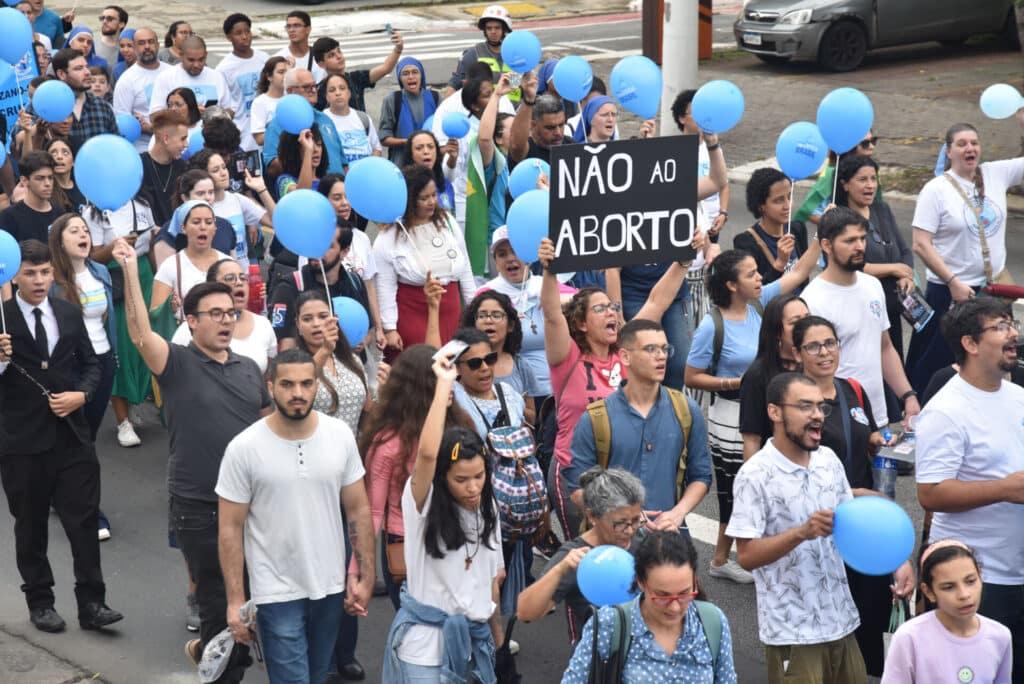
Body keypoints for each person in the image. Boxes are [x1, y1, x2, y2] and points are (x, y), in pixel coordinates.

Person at [115, 238, 271, 677]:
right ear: (191, 320)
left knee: (259, 604)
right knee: (221, 607)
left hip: (252, 503)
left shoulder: (248, 369)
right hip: (199, 504)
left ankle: (210, 648)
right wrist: (130, 271)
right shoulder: (177, 363)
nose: (226, 321)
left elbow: (268, 429)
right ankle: (218, 660)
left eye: (231, 313)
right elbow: (140, 334)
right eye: (215, 314)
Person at [216, 347, 374, 684]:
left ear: (317, 385)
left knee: (317, 677)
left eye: (306, 383)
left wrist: (364, 575)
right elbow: (230, 528)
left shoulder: (340, 436)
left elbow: (358, 509)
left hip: (329, 587)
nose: (298, 393)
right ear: (270, 386)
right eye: (287, 385)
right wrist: (235, 602)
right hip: (275, 592)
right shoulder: (243, 448)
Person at [538, 233, 702, 544]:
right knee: (589, 557)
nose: (612, 312)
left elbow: (657, 301)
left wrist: (682, 260)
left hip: (620, 474)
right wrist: (549, 270)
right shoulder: (567, 356)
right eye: (600, 309)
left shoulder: (627, 350)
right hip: (577, 477)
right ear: (582, 323)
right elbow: (551, 314)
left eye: (613, 306)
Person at [0, 240, 123, 634]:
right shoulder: (1, 321)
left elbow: (93, 364)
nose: (38, 280)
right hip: (22, 442)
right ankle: (41, 601)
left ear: (54, 272)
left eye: (45, 272)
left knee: (84, 520)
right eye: (30, 273)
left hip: (71, 437)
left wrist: (82, 395)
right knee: (31, 525)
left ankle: (93, 602)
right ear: (15, 275)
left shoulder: (69, 313)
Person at [684, 243, 820, 584]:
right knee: (736, 491)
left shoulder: (761, 304)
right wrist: (734, 381)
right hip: (730, 418)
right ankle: (720, 558)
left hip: (765, 409)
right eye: (751, 274)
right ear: (732, 284)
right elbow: (691, 375)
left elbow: (800, 273)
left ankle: (750, 554)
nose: (760, 278)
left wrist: (821, 234)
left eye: (759, 273)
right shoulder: (711, 326)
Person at [791, 315, 915, 675]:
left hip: (862, 521)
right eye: (813, 346)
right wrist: (857, 493)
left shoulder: (852, 390)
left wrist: (877, 441)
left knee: (871, 610)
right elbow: (798, 469)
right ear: (798, 353)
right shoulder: (795, 402)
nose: (825, 352)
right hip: (822, 522)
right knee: (829, 619)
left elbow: (867, 436)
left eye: (830, 343)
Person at [727, 372, 866, 683]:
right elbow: (746, 556)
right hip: (793, 632)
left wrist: (896, 565)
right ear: (775, 412)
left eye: (820, 407)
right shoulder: (755, 475)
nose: (817, 415)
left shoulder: (828, 460)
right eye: (805, 406)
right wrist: (801, 533)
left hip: (842, 621)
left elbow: (849, 526)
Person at [915, 297, 1024, 679]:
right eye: (1001, 327)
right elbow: (930, 493)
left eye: (1012, 324)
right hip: (978, 580)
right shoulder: (946, 411)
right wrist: (1005, 489)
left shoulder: (1018, 397)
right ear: (970, 344)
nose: (1013, 334)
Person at [380, 352, 505, 683]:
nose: (472, 487)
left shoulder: (488, 508)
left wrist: (499, 639)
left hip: (474, 647)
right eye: (461, 480)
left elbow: (492, 580)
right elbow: (427, 453)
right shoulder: (423, 503)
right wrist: (443, 387)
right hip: (423, 652)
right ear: (441, 478)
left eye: (479, 476)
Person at [566, 319, 713, 546]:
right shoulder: (596, 419)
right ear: (625, 357)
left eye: (665, 349)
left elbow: (701, 476)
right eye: (650, 349)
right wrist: (626, 517)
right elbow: (578, 490)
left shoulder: (686, 410)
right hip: (614, 544)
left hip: (668, 537)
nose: (661, 356)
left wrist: (677, 513)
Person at [905, 115, 1024, 395]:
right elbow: (921, 243)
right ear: (949, 152)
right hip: (950, 291)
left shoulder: (995, 173)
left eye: (974, 143)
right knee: (939, 364)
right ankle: (919, 412)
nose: (969, 148)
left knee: (993, 356)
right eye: (961, 144)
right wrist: (952, 282)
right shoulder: (935, 190)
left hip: (992, 290)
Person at [606, 126, 727, 390]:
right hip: (633, 293)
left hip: (673, 293)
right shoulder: (618, 204)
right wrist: (616, 313)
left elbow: (717, 182)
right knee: (636, 360)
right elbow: (612, 269)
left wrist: (712, 143)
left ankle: (672, 414)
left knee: (679, 360)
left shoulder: (674, 191)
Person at [363, 345, 476, 608]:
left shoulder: (463, 424)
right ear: (419, 387)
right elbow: (373, 513)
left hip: (458, 540)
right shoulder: (388, 443)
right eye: (438, 378)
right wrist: (361, 573)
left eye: (449, 375)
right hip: (406, 545)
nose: (449, 384)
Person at [560, 530, 738, 682]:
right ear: (641, 583)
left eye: (684, 593)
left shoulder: (713, 622)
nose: (675, 607)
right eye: (662, 595)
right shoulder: (609, 625)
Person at [801, 206, 921, 429]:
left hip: (878, 415)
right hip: (839, 421)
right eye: (849, 241)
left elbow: (884, 347)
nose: (859, 247)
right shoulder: (813, 300)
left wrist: (908, 395)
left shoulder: (872, 285)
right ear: (826, 245)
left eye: (862, 239)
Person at [47, 214, 118, 539]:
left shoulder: (100, 272)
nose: (83, 234)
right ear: (59, 241)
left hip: (103, 362)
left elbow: (105, 318)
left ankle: (59, 489)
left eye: (85, 230)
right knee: (80, 444)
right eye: (74, 230)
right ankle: (88, 511)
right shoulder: (52, 284)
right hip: (71, 369)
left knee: (83, 437)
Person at [517, 466, 644, 642]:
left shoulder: (642, 539)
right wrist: (559, 570)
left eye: (636, 520)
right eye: (620, 523)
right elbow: (525, 611)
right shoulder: (576, 557)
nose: (629, 530)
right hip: (602, 658)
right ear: (592, 516)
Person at [373, 164, 477, 354]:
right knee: (422, 368)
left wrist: (475, 307)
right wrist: (390, 328)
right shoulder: (388, 237)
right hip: (413, 313)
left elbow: (466, 268)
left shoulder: (447, 221)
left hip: (451, 311)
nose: (431, 202)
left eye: (433, 195)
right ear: (409, 200)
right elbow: (385, 287)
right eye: (424, 198)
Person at [881, 540, 1013, 684]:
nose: (964, 594)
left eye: (970, 581)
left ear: (980, 576)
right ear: (929, 592)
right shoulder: (909, 637)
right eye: (949, 587)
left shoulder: (1000, 636)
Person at [84, 195, 157, 448]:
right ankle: (122, 420)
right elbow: (91, 256)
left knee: (144, 344)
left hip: (144, 275)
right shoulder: (92, 213)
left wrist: (157, 281)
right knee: (122, 349)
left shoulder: (144, 205)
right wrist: (115, 245)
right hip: (115, 277)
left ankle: (134, 399)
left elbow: (151, 247)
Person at [834, 154, 914, 357]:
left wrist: (906, 275)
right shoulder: (839, 218)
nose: (870, 185)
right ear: (845, 184)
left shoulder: (882, 209)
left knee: (894, 360)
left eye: (873, 179)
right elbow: (850, 267)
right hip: (861, 307)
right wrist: (894, 269)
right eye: (862, 180)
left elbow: (904, 250)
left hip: (892, 304)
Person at [171, 259, 277, 374]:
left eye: (243, 278)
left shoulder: (263, 325)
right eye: (230, 278)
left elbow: (268, 377)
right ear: (212, 286)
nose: (239, 283)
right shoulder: (193, 327)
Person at [738, 294, 809, 458]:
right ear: (777, 331)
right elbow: (752, 439)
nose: (805, 326)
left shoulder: (815, 363)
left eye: (808, 318)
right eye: (795, 322)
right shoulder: (757, 375)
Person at [291, 291, 369, 432]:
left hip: (352, 449)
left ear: (335, 320)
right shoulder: (292, 362)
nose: (316, 324)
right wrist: (325, 350)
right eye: (307, 319)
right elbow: (299, 383)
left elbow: (367, 410)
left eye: (323, 317)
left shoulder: (352, 360)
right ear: (298, 325)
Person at [459, 290, 540, 421]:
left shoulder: (521, 366)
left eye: (496, 315)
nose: (489, 320)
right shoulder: (463, 364)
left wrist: (509, 403)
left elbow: (532, 417)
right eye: (482, 315)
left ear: (510, 326)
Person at [188, 148, 272, 270]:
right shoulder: (199, 208)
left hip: (243, 278)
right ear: (203, 176)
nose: (223, 173)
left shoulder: (237, 199)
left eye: (224, 167)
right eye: (216, 170)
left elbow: (274, 221)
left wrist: (262, 189)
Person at [150, 200, 232, 319]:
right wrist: (170, 307)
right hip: (185, 334)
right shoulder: (171, 265)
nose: (203, 227)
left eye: (209, 222)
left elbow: (240, 303)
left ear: (214, 228)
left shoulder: (228, 263)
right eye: (196, 222)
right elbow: (154, 313)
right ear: (183, 228)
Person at [262, 68, 348, 177]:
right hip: (310, 190)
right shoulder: (279, 124)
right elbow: (272, 167)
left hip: (338, 189)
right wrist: (303, 156)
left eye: (315, 86)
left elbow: (343, 162)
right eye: (307, 87)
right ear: (290, 91)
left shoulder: (325, 119)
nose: (313, 90)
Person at [733, 167, 809, 285]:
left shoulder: (797, 229)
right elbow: (755, 293)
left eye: (789, 197)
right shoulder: (746, 243)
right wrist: (779, 264)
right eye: (778, 200)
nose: (787, 205)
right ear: (761, 206)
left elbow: (805, 273)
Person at [152, 168, 237, 268]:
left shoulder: (225, 225)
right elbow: (165, 276)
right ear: (185, 198)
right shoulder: (169, 232)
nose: (208, 198)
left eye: (211, 192)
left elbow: (233, 266)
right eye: (200, 193)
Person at [794, 129, 879, 225]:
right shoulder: (831, 173)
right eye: (865, 143)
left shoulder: (872, 170)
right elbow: (809, 211)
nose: (871, 146)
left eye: (873, 141)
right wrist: (838, 227)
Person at [215, 14, 270, 152]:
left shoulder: (264, 59)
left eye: (247, 31)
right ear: (229, 37)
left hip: (267, 130)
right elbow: (224, 104)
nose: (245, 36)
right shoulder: (224, 69)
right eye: (238, 33)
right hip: (244, 136)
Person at [312, 33, 404, 114]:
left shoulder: (356, 78)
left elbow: (385, 68)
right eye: (331, 55)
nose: (339, 56)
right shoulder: (320, 90)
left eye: (339, 51)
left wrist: (398, 49)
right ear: (321, 64)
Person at [112, 28, 171, 152]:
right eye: (141, 43)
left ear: (158, 45)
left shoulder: (172, 73)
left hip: (175, 142)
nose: (147, 47)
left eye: (151, 42)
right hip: (144, 148)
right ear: (134, 47)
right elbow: (123, 123)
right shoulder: (126, 80)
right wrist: (140, 127)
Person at [149, 36, 238, 119]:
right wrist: (186, 114)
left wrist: (213, 116)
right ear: (181, 55)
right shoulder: (166, 78)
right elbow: (155, 116)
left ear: (206, 55)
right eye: (191, 60)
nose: (196, 65)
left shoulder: (217, 76)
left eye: (201, 59)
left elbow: (230, 110)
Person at [51, 47, 118, 152]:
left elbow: (117, 146)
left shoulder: (103, 107)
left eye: (87, 67)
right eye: (79, 68)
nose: (87, 72)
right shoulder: (47, 106)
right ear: (61, 74)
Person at [445, 4, 516, 101]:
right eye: (489, 28)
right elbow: (455, 84)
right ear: (485, 30)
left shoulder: (516, 56)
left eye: (497, 28)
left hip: (516, 112)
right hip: (485, 113)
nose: (493, 31)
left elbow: (525, 86)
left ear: (505, 29)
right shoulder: (473, 54)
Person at [379, 57, 440, 167]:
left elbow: (443, 133)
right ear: (400, 78)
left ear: (421, 75)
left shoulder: (435, 98)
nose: (411, 77)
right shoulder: (392, 100)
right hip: (402, 165)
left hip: (431, 164)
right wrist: (406, 142)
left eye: (415, 72)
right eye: (405, 73)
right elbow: (384, 137)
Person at [138, 109, 190, 226]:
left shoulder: (184, 168)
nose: (186, 144)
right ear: (166, 139)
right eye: (183, 138)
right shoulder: (138, 167)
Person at [507, 78, 574, 167]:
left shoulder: (571, 146)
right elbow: (516, 146)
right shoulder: (526, 150)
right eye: (550, 128)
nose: (558, 132)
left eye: (561, 125)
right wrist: (529, 100)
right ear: (533, 125)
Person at [0, 151, 64, 244]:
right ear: (24, 180)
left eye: (50, 178)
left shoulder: (60, 214)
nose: (47, 183)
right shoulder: (9, 217)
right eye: (40, 178)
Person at [322, 73, 383, 164]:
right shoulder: (322, 120)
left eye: (342, 88)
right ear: (326, 96)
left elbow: (377, 148)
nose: (338, 93)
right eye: (332, 90)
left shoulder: (363, 118)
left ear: (349, 93)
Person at [405, 130, 456, 213]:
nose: (426, 152)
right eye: (419, 148)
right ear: (411, 154)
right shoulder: (403, 188)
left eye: (430, 147)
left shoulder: (446, 185)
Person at [250, 57, 287, 148]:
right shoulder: (260, 102)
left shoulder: (292, 98)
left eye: (288, 72)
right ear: (269, 76)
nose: (285, 76)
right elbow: (259, 138)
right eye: (281, 72)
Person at [275, 11, 324, 81]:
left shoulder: (320, 57)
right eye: (288, 26)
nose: (291, 30)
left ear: (308, 29)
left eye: (296, 26)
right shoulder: (279, 59)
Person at [94, 6, 127, 74]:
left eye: (110, 18)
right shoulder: (91, 45)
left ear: (121, 24)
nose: (104, 21)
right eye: (102, 18)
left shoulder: (128, 48)